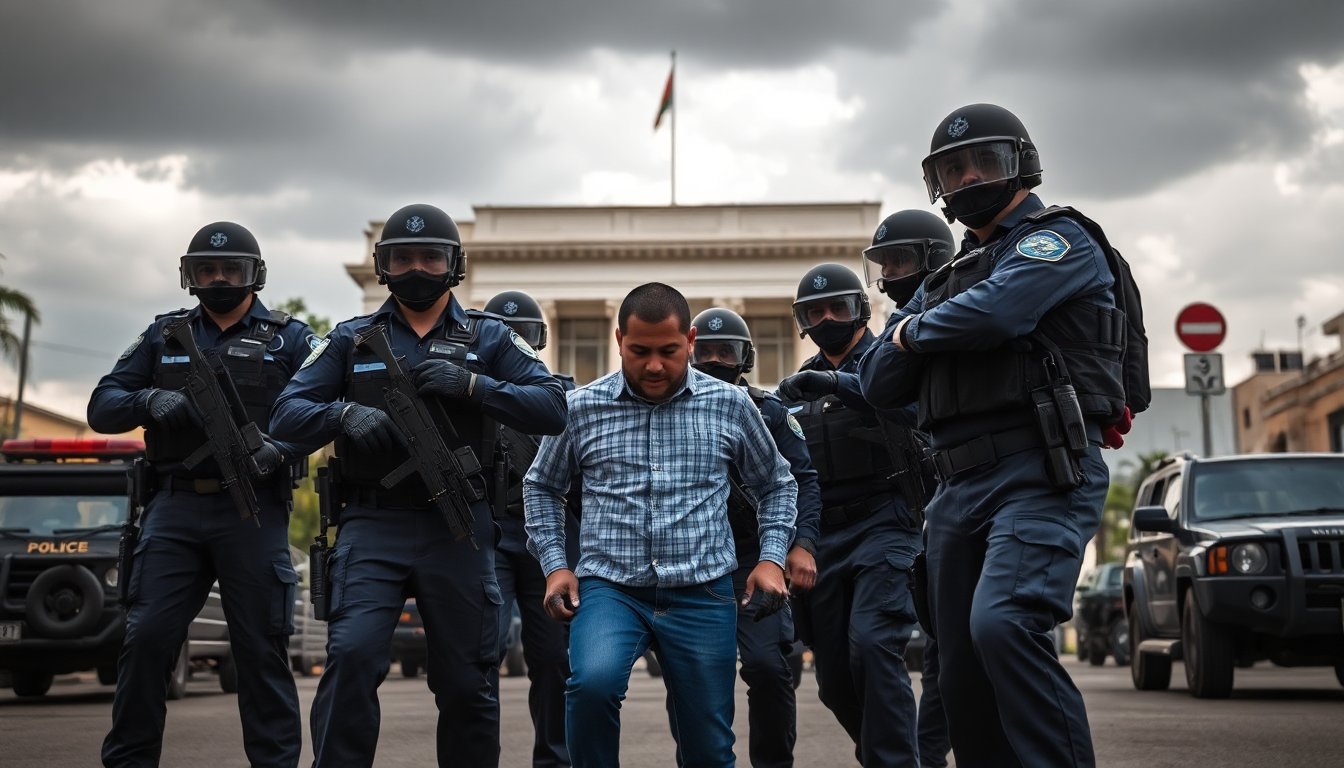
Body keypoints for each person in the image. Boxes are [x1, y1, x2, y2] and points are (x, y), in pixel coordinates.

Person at [858, 103, 1127, 767]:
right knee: (959, 668)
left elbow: (1001, 311)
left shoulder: (1058, 240)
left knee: (1003, 624)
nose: (969, 175)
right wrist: (923, 329)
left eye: (984, 161)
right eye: (952, 168)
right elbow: (877, 378)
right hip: (957, 488)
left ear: (1022, 164)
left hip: (1041, 467)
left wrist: (915, 330)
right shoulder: (951, 275)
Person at [268, 203, 568, 767]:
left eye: (431, 257)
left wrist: (475, 386)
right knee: (352, 657)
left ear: (455, 265)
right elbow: (286, 414)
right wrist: (339, 415)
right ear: (382, 266)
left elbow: (554, 405)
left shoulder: (492, 337)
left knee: (466, 680)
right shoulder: (350, 341)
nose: (417, 268)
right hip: (372, 523)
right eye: (402, 258)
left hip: (459, 528)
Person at [523, 282, 797, 768]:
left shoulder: (729, 405)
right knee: (591, 686)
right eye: (640, 351)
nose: (654, 365)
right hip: (611, 589)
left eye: (668, 351)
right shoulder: (582, 409)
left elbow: (777, 483)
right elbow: (542, 486)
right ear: (618, 340)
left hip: (703, 591)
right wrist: (555, 566)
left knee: (708, 745)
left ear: (690, 340)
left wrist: (772, 557)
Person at [90, 221, 312, 768]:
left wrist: (280, 450)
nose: (217, 279)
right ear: (188, 275)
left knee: (261, 650)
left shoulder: (293, 340)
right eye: (205, 270)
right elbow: (103, 405)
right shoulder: (163, 335)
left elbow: (319, 410)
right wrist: (147, 402)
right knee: (145, 640)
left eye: (229, 269)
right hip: (175, 507)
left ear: (254, 276)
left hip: (255, 511)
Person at [775, 263, 924, 767]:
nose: (827, 317)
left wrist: (839, 384)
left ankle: (896, 761)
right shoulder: (796, 389)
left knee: (873, 644)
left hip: (885, 524)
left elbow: (916, 411)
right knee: (835, 679)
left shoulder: (891, 362)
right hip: (822, 538)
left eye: (838, 306)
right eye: (815, 310)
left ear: (861, 310)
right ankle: (889, 753)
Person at [662, 306, 822, 768]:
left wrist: (801, 544)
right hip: (692, 558)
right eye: (705, 351)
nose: (715, 359)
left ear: (745, 357)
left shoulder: (769, 412)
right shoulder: (664, 411)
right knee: (689, 675)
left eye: (726, 351)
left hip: (756, 555)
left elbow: (803, 480)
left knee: (769, 668)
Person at [863, 209, 957, 768]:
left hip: (977, 489)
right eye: (885, 264)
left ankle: (930, 751)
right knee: (941, 648)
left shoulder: (959, 311)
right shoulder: (903, 327)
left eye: (900, 260)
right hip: (936, 508)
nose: (891, 273)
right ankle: (926, 754)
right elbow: (879, 386)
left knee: (973, 641)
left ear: (930, 258)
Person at [481, 289, 576, 768]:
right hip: (486, 533)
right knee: (484, 649)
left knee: (554, 660)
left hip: (547, 542)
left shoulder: (563, 396)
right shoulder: (467, 391)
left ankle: (554, 760)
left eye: (523, 336)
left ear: (537, 342)